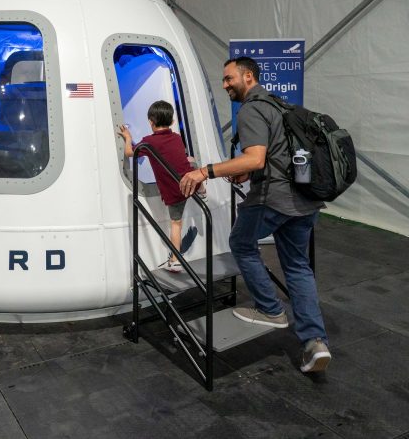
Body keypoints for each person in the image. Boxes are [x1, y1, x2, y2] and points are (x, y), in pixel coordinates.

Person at [179, 56, 331, 373]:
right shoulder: (280, 105)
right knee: (298, 268)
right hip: (304, 201)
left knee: (241, 243)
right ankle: (315, 343)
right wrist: (249, 173)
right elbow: (276, 155)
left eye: (229, 78)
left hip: (274, 198)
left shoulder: (251, 109)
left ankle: (270, 309)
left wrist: (204, 172)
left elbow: (255, 158)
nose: (224, 85)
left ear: (248, 76)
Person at [118, 100, 204, 272]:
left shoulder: (148, 143)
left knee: (176, 224)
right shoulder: (177, 138)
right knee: (191, 161)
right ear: (172, 121)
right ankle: (201, 189)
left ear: (151, 122)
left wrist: (128, 138)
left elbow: (129, 152)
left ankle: (175, 260)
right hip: (190, 183)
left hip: (175, 192)